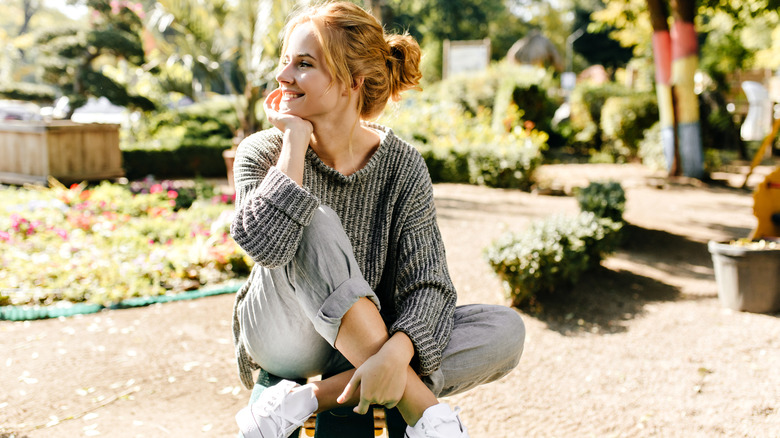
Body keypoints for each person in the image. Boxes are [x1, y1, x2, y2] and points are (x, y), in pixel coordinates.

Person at [229, 2, 525, 437]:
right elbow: (265, 248)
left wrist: (395, 353)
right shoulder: (262, 151)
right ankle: (427, 414)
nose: (283, 76)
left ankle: (306, 399)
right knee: (314, 219)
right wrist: (293, 142)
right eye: (285, 61)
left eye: (304, 63)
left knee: (505, 330)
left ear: (354, 80)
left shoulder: (402, 165)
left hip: (362, 341)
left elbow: (429, 285)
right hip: (285, 337)